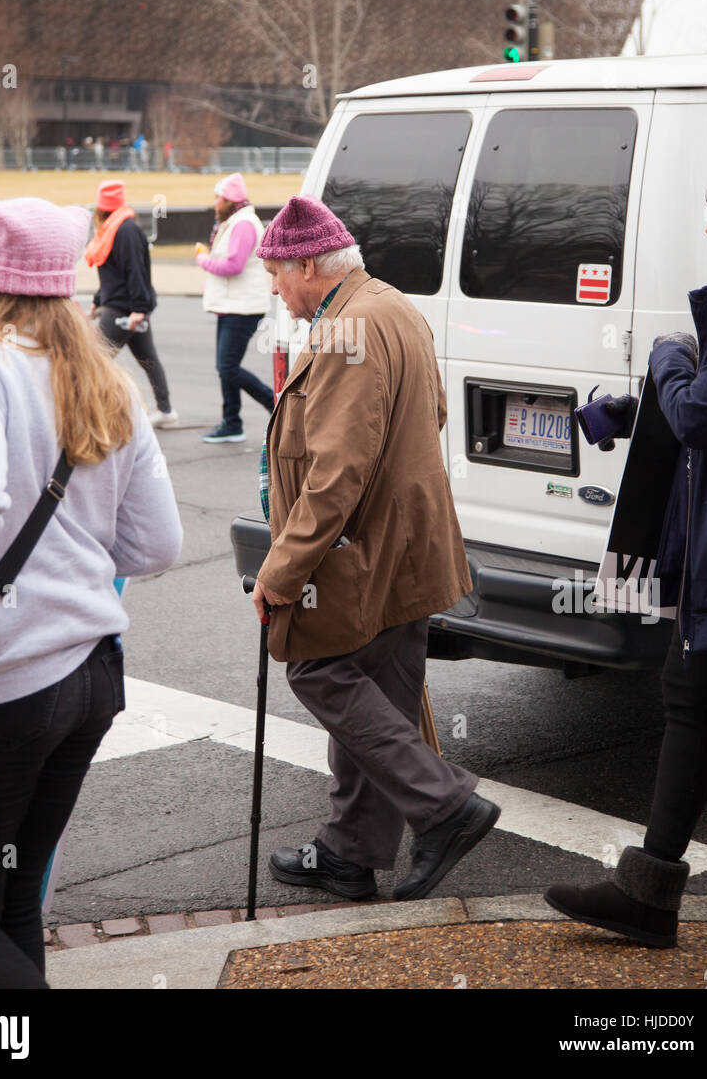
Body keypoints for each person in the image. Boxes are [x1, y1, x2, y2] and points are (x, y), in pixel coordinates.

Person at [0, 196, 182, 989]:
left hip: (4, 682)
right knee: (14, 898)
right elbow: (158, 542)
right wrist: (74, 558)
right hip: (93, 674)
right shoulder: (105, 377)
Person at [253, 196, 499, 900]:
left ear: (307, 264)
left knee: (315, 670)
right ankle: (348, 853)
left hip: (365, 551)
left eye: (276, 274)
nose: (274, 289)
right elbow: (436, 412)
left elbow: (336, 473)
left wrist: (280, 571)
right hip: (409, 546)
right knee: (384, 695)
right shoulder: (392, 305)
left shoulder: (343, 331)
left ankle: (446, 806)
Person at [546, 158, 707, 948]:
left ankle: (650, 895)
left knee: (691, 706)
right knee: (688, 702)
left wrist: (666, 359)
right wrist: (635, 408)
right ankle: (649, 895)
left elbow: (700, 410)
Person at [85, 180, 178, 428]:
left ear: (101, 207)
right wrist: (97, 301)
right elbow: (114, 274)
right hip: (124, 305)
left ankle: (94, 414)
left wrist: (138, 309)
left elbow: (135, 272)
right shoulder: (117, 229)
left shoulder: (123, 231)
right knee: (148, 359)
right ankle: (166, 411)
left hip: (123, 309)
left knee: (94, 361)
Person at [194, 173, 274, 442]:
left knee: (227, 367)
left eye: (219, 197)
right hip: (232, 305)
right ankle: (232, 423)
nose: (215, 203)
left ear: (230, 200)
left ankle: (275, 405)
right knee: (226, 367)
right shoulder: (234, 221)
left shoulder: (243, 224)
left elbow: (233, 266)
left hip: (244, 307)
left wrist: (203, 260)